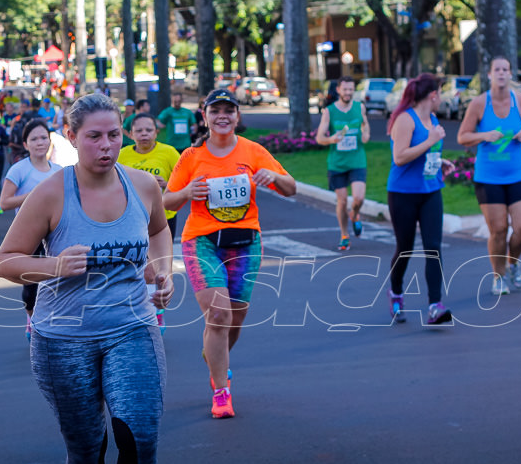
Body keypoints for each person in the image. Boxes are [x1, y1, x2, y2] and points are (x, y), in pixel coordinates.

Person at [0, 93, 173, 464]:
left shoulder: (143, 185)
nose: (107, 145)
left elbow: (159, 231)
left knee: (139, 438)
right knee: (86, 447)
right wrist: (52, 265)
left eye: (114, 134)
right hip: (62, 338)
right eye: (94, 136)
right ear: (70, 138)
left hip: (133, 327)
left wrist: (162, 269)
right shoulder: (52, 193)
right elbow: (6, 260)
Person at [164, 88, 297, 419]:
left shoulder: (253, 151)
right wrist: (186, 192)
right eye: (215, 110)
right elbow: (165, 202)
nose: (222, 116)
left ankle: (215, 355)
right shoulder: (191, 158)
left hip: (245, 242)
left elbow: (291, 187)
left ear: (238, 116)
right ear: (205, 116)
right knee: (219, 314)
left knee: (236, 315)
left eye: (229, 110)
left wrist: (275, 177)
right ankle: (221, 390)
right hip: (202, 241)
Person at [457, 55, 521, 295]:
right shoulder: (479, 104)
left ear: (511, 74)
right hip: (488, 177)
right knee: (499, 230)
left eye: (506, 69)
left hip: (517, 173)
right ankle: (498, 275)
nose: (502, 73)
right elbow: (462, 136)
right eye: (497, 69)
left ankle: (512, 263)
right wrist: (484, 136)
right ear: (490, 75)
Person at [385, 73, 456, 326]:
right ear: (432, 95)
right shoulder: (406, 119)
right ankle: (395, 291)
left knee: (433, 247)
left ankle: (435, 306)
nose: (443, 98)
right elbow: (400, 157)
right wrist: (430, 141)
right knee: (405, 248)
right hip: (403, 193)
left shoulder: (433, 118)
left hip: (430, 191)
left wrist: (440, 163)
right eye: (441, 93)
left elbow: (427, 153)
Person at [118, 114, 182, 333]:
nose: (144, 134)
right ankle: (138, 310)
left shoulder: (169, 153)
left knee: (157, 269)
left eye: (149, 130)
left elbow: (183, 182)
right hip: (133, 221)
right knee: (139, 269)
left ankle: (158, 311)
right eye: (139, 131)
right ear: (130, 134)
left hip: (163, 220)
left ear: (156, 132)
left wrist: (168, 184)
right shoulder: (122, 155)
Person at [0, 118, 63, 339]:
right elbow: (5, 202)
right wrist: (34, 197)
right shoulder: (19, 170)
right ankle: (31, 318)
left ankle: (51, 323)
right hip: (29, 235)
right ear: (25, 144)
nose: (40, 143)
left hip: (55, 234)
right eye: (34, 139)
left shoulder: (58, 170)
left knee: (57, 279)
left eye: (44, 138)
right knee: (31, 285)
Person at [315, 76, 370, 250]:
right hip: (337, 163)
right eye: (345, 89)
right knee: (342, 201)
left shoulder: (359, 107)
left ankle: (355, 214)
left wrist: (365, 134)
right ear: (338, 90)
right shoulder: (329, 111)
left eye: (351, 89)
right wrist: (331, 139)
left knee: (359, 198)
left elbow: (365, 125)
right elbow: (319, 138)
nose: (348, 93)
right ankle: (345, 235)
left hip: (357, 160)